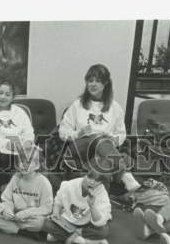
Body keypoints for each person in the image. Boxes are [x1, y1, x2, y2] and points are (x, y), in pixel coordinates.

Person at [56, 63, 140, 193]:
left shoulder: (115, 108)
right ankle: (124, 174)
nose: (93, 84)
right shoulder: (77, 105)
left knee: (101, 162)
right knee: (97, 137)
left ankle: (100, 203)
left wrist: (113, 139)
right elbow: (63, 131)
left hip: (104, 150)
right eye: (90, 80)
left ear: (105, 83)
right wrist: (78, 133)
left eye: (98, 81)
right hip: (80, 147)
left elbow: (121, 134)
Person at [0, 142, 53, 239]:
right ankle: (21, 232)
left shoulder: (44, 183)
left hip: (29, 218)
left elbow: (46, 208)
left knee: (40, 223)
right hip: (14, 216)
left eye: (28, 162)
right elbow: (6, 199)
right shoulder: (16, 177)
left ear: (37, 165)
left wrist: (26, 213)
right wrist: (7, 209)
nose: (23, 165)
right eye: (21, 161)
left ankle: (8, 227)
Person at [43, 166, 112, 244]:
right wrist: (56, 214)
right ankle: (87, 242)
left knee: (104, 231)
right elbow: (58, 202)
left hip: (86, 226)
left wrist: (92, 205)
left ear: (101, 183)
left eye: (97, 180)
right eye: (90, 177)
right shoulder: (70, 185)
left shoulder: (102, 193)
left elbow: (99, 222)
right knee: (46, 224)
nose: (92, 182)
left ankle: (60, 236)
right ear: (85, 175)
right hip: (67, 221)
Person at [0, 79, 34, 171]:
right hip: (1, 150)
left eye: (7, 95)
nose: (3, 97)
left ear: (13, 98)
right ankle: (10, 183)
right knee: (9, 161)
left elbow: (28, 132)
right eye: (0, 93)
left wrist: (27, 143)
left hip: (21, 148)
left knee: (34, 158)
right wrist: (6, 144)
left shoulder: (20, 112)